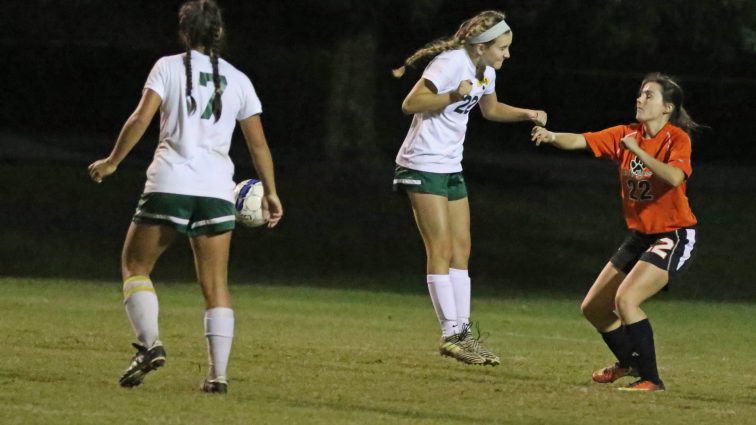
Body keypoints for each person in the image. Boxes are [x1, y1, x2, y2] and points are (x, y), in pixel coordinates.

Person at [87, 0, 283, 394]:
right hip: (216, 191)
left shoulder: (167, 67)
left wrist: (112, 161)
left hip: (169, 183)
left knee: (135, 266)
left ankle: (149, 343)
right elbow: (258, 145)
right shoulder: (239, 79)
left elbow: (141, 118)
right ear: (220, 34)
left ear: (183, 33)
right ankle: (218, 376)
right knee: (216, 285)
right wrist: (272, 193)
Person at [392, 10, 547, 366]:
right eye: (502, 48)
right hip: (422, 162)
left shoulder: (486, 71)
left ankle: (463, 335)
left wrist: (527, 113)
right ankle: (451, 335)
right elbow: (410, 103)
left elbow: (490, 109)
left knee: (462, 248)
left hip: (450, 165)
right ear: (481, 46)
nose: (507, 54)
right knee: (441, 247)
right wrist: (449, 96)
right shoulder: (450, 64)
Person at [531, 73, 700, 392]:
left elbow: (676, 177)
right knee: (594, 307)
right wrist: (552, 136)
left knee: (626, 300)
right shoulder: (627, 134)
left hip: (674, 234)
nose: (640, 99)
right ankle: (630, 361)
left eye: (648, 96)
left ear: (667, 107)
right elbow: (582, 139)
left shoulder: (675, 139)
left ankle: (651, 379)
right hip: (640, 236)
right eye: (640, 94)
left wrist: (637, 151)